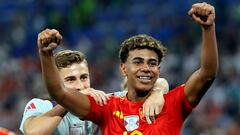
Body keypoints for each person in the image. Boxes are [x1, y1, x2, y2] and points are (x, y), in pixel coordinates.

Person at [37, 2, 218, 134]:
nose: (146, 68)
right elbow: (59, 93)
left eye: (152, 63)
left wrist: (208, 29)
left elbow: (207, 75)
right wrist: (46, 55)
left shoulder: (174, 103)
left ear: (159, 70)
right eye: (138, 62)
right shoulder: (106, 107)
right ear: (123, 68)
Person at [20, 50, 168, 135]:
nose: (80, 86)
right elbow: (33, 132)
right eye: (71, 80)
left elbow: (160, 82)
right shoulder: (42, 107)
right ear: (56, 84)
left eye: (84, 78)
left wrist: (156, 92)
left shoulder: (104, 103)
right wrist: (68, 102)